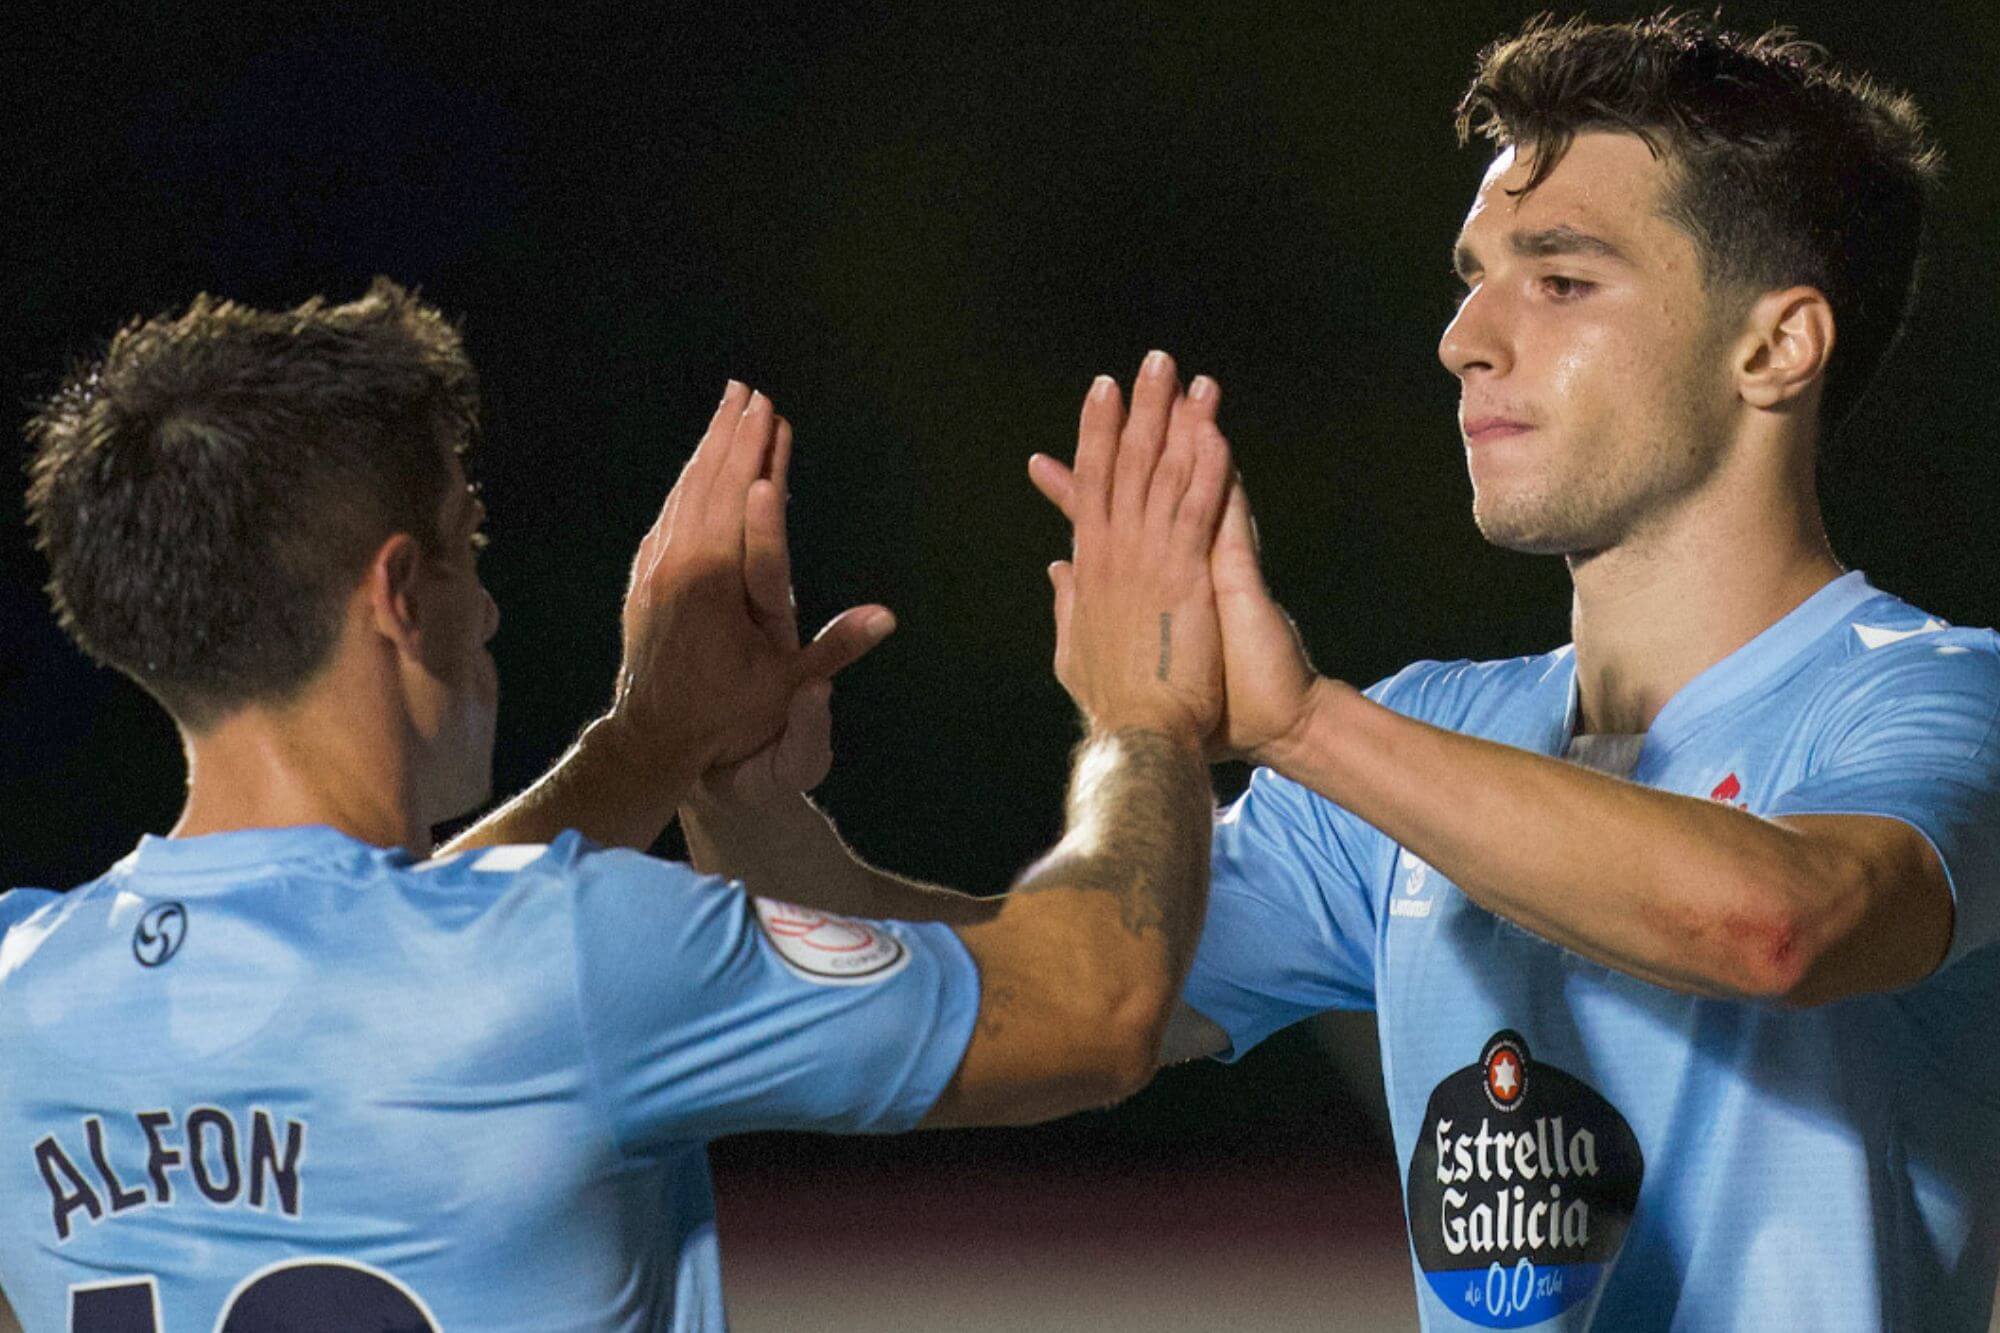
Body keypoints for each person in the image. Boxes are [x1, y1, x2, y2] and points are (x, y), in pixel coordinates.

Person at [645, 14, 2000, 1331]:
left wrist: (1296, 723)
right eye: (1473, 274)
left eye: (1561, 277)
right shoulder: (1426, 741)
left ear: (1778, 345)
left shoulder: (1934, 695)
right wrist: (743, 801)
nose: (1467, 336)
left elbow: (1780, 925)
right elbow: (1005, 1006)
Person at [0, 282, 1237, 1330]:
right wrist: (1144, 708)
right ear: (396, 592)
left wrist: (652, 741)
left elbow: (372, 983)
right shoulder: (576, 952)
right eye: (462, 545)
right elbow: (1094, 1004)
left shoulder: (23, 995)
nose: (483, 608)